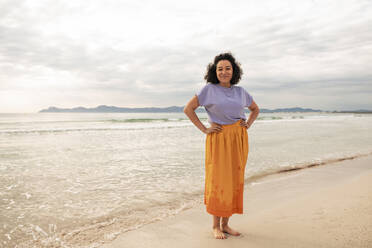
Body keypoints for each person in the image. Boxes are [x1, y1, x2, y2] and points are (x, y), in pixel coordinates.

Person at [183, 52, 260, 239]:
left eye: (227, 68)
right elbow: (188, 109)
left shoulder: (241, 92)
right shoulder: (208, 90)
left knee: (234, 180)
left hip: (238, 138)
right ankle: (215, 226)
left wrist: (248, 124)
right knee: (218, 181)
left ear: (233, 71)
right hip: (218, 139)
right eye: (220, 69)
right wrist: (204, 129)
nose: (224, 72)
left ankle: (226, 224)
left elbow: (255, 109)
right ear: (214, 71)